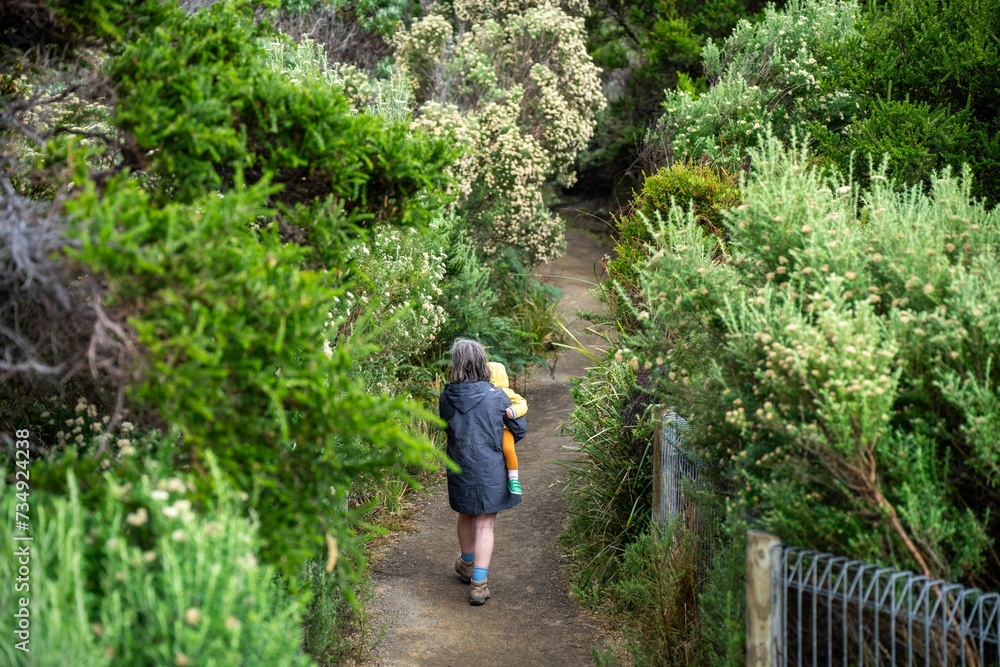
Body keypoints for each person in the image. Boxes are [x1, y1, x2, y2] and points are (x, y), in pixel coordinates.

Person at [439, 338, 527, 605]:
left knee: (465, 513)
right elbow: (519, 430)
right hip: (490, 467)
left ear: (456, 365)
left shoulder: (446, 396)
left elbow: (446, 425)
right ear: (482, 363)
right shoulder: (496, 396)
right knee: (486, 523)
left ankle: (466, 564)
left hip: (460, 464)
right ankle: (479, 584)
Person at [488, 361, 527, 495]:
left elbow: (522, 403)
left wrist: (514, 411)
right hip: (489, 429)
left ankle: (513, 479)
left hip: (505, 429)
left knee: (509, 449)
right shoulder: (483, 392)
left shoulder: (507, 392)